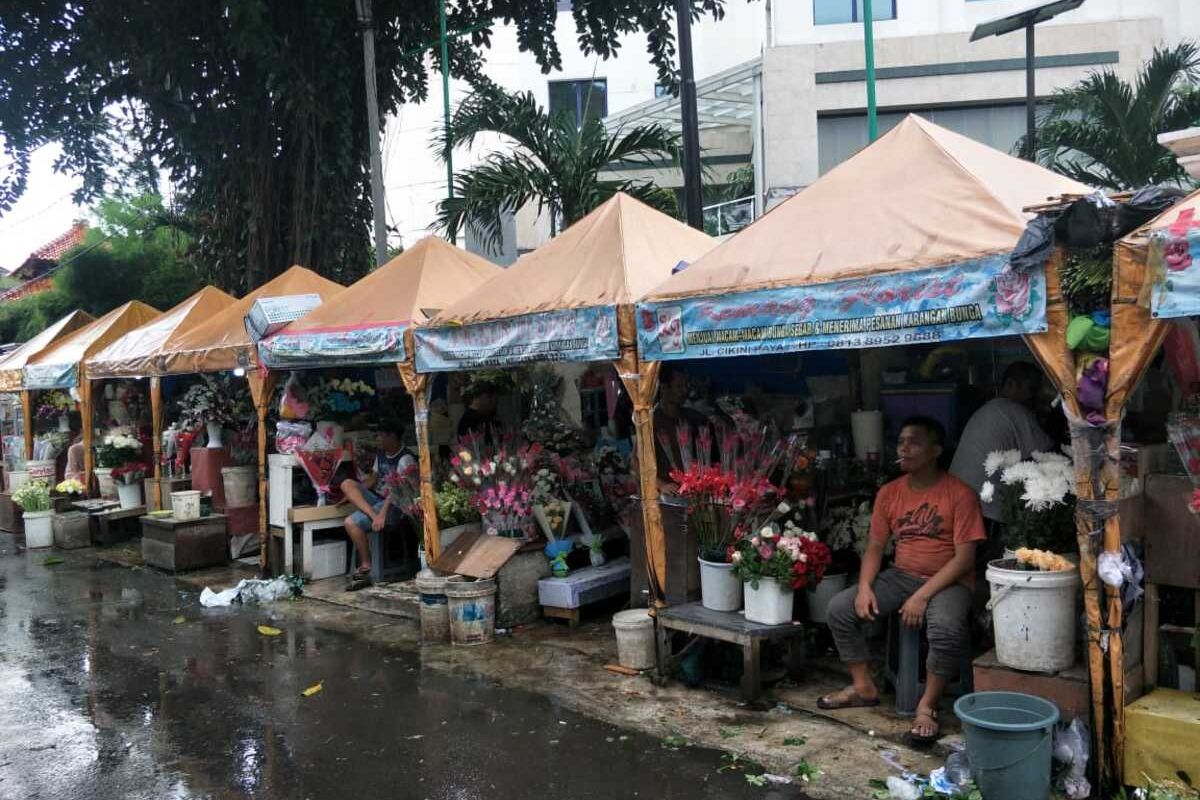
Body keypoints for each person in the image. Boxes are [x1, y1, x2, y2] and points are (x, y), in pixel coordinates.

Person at [818, 416, 985, 746]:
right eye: (901, 441)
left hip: (949, 582)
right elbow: (876, 546)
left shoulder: (960, 494)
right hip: (901, 576)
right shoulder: (890, 493)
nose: (904, 448)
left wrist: (922, 595)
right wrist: (865, 587)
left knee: (946, 628)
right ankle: (863, 685)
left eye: (915, 442)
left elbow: (965, 559)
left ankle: (926, 704)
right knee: (839, 608)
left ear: (936, 450)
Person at [950, 361, 1053, 524]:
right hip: (986, 508)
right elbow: (1047, 457)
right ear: (1011, 384)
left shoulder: (989, 409)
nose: (1034, 396)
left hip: (958, 503)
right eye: (1031, 389)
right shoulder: (1015, 410)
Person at [341, 420, 416, 590]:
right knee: (347, 484)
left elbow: (397, 492)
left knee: (350, 522)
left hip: (395, 507)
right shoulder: (381, 455)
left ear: (392, 436)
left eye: (381, 435)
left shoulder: (405, 459)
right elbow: (373, 480)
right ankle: (367, 562)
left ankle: (366, 565)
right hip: (376, 503)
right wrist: (353, 494)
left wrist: (382, 514)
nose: (378, 439)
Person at [652, 363, 708, 485]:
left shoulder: (691, 417)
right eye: (679, 386)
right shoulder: (651, 421)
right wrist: (661, 485)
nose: (685, 391)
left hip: (692, 490)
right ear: (664, 388)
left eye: (686, 385)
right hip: (668, 495)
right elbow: (636, 464)